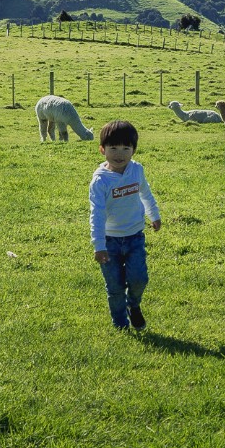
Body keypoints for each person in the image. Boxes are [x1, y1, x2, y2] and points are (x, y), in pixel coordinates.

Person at [90, 119, 163, 330]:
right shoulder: (101, 181)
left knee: (139, 278)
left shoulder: (136, 170)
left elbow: (145, 193)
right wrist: (99, 245)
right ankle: (120, 323)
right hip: (109, 241)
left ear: (134, 150)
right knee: (115, 287)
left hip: (134, 237)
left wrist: (154, 215)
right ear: (102, 150)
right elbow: (96, 213)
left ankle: (134, 305)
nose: (119, 154)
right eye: (113, 148)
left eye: (125, 148)